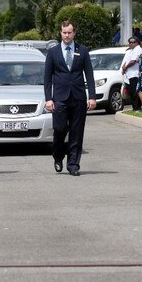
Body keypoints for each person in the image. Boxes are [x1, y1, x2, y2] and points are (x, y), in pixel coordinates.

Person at [43, 20, 96, 176]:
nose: (67, 35)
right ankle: (58, 156)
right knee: (60, 129)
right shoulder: (53, 52)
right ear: (60, 33)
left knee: (77, 132)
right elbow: (47, 78)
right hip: (59, 97)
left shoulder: (83, 51)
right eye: (64, 32)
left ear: (74, 33)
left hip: (78, 97)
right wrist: (48, 98)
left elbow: (89, 75)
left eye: (69, 32)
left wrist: (91, 97)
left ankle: (73, 164)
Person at [120, 37, 142, 111]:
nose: (131, 44)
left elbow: (133, 61)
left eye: (133, 42)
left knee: (134, 92)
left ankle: (137, 107)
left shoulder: (138, 49)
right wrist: (123, 68)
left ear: (137, 42)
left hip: (134, 74)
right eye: (130, 42)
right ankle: (134, 107)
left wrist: (125, 67)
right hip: (129, 74)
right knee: (131, 92)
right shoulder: (130, 50)